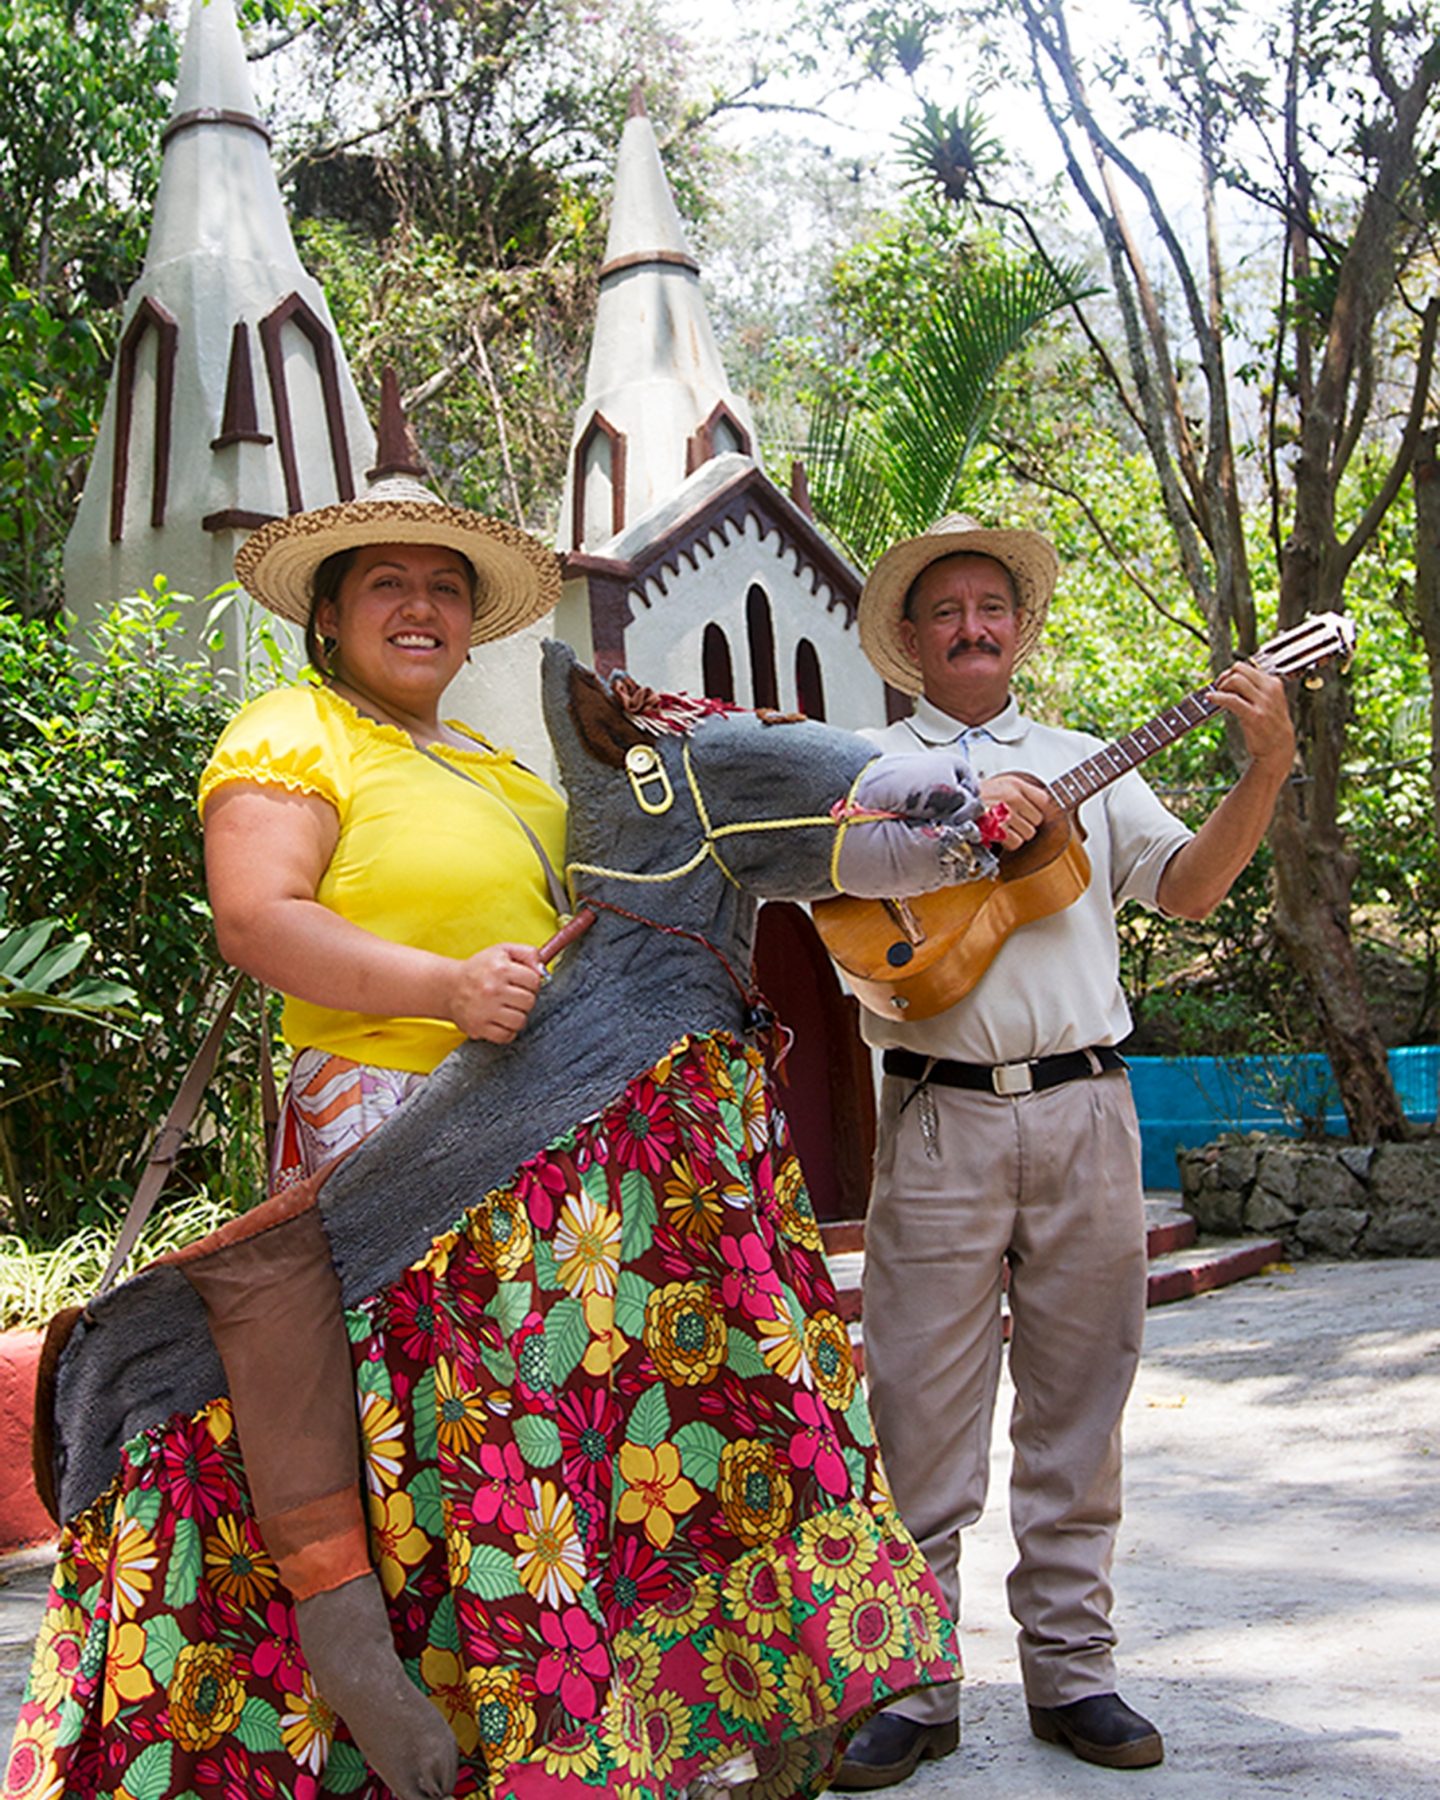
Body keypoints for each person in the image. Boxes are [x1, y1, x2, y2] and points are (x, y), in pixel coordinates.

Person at [9, 465, 990, 1800]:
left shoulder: (502, 767)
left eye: (444, 589)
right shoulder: (294, 730)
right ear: (331, 616)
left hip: (551, 1173)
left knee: (555, 1469)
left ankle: (607, 1727)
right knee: (439, 1464)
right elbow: (258, 920)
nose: (420, 607)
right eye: (389, 584)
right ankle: (367, 1682)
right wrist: (445, 988)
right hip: (399, 1140)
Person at [832, 514, 1296, 1787]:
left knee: (1081, 1405)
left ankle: (1072, 1673)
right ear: (914, 640)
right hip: (935, 1113)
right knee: (919, 1408)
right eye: (948, 612)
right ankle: (914, 1684)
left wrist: (1261, 770)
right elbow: (831, 881)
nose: (974, 628)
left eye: (995, 608)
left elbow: (1188, 888)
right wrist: (968, 812)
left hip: (1089, 1108)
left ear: (1021, 629)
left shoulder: (1088, 759)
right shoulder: (866, 764)